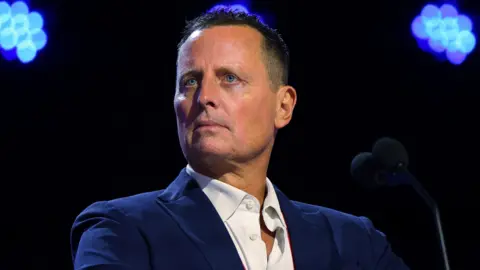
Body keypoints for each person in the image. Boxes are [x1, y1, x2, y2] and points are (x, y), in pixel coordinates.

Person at [70, 7, 410, 270]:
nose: (204, 97)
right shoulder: (121, 230)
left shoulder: (354, 243)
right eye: (189, 81)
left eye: (229, 78)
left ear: (283, 106)